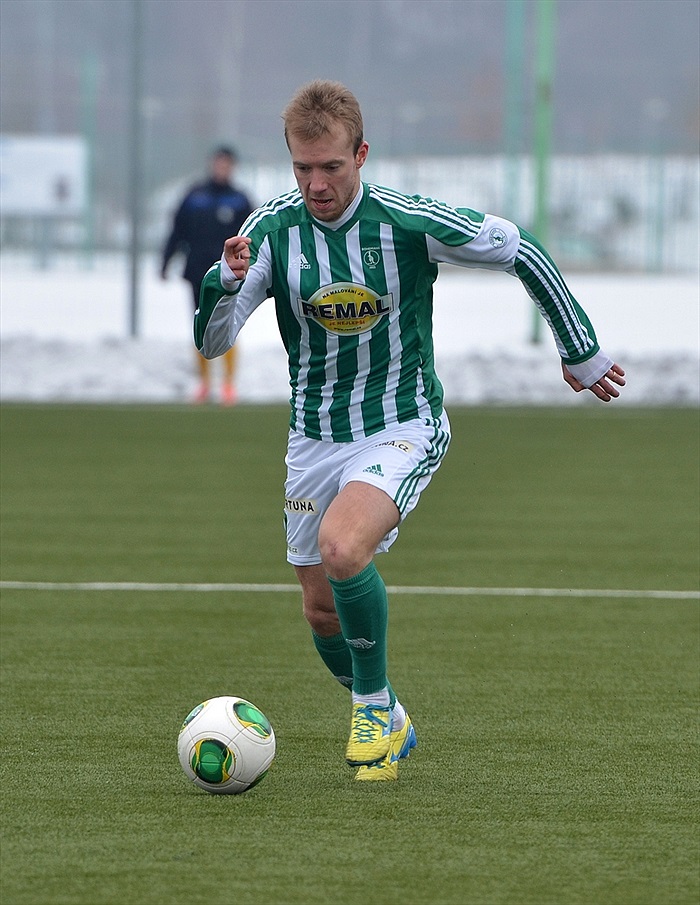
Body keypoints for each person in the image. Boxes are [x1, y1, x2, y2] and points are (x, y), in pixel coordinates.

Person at [194, 81, 626, 781]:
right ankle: (391, 714)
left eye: (331, 167)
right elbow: (213, 344)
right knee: (319, 609)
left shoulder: (406, 218)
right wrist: (221, 280)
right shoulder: (271, 232)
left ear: (361, 155)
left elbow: (520, 248)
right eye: (303, 168)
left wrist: (579, 349)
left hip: (401, 421)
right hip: (313, 436)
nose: (317, 184)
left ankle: (369, 706)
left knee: (342, 547)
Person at [161, 145, 254, 404]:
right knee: (201, 325)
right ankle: (203, 383)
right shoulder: (194, 197)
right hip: (198, 272)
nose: (222, 168)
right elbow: (177, 231)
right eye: (219, 163)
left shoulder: (240, 199)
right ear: (212, 164)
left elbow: (255, 237)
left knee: (228, 323)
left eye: (227, 164)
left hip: (231, 275)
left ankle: (228, 385)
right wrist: (166, 261)